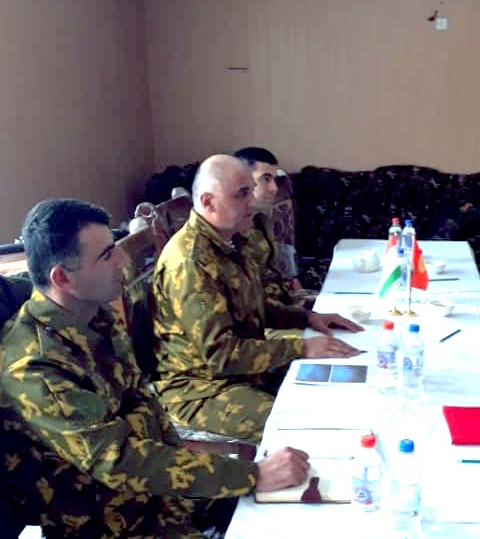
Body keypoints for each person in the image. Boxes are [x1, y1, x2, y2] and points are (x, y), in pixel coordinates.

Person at [0, 199, 310, 539]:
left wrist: (235, 469)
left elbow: (144, 410)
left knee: (298, 516)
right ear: (62, 278)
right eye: (107, 255)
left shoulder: (93, 318)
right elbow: (121, 461)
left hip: (159, 497)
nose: (123, 260)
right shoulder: (34, 368)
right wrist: (250, 475)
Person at [153, 154, 361, 442]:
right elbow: (220, 355)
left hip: (242, 369)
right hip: (201, 387)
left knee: (343, 380)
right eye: (241, 194)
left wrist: (307, 317)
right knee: (306, 425)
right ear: (208, 202)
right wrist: (300, 346)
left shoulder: (232, 239)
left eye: (250, 191)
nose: (252, 202)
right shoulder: (190, 262)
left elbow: (252, 305)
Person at [234, 145, 310, 306]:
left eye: (274, 179)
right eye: (265, 179)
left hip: (281, 303)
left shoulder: (260, 220)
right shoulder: (229, 231)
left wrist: (297, 293)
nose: (274, 188)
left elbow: (273, 270)